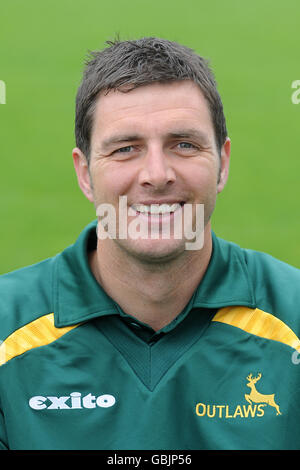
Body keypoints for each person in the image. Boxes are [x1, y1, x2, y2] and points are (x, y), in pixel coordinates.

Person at [1, 37, 300, 451]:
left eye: (184, 145)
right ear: (85, 173)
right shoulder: (6, 330)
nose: (156, 175)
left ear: (222, 164)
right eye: (126, 149)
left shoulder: (294, 321)